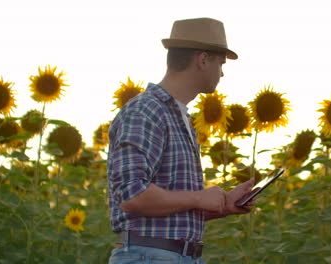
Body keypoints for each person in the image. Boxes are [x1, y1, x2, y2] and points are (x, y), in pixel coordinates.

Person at [107, 17, 256, 264]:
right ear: (203, 59)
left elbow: (168, 217)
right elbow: (131, 196)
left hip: (173, 256)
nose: (222, 73)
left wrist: (223, 205)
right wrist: (198, 197)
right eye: (220, 63)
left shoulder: (178, 116)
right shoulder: (146, 111)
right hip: (149, 257)